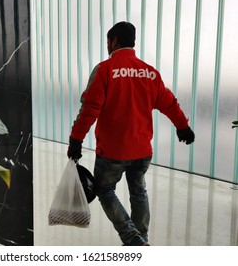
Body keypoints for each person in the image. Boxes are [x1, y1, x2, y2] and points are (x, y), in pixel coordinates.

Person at [67, 21, 195, 246]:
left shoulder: (105, 70)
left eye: (108, 41)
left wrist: (75, 139)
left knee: (104, 190)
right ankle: (141, 238)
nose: (107, 46)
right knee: (138, 190)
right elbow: (169, 103)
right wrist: (182, 126)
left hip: (112, 152)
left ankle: (132, 238)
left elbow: (89, 110)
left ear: (114, 41)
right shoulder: (150, 73)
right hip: (142, 150)